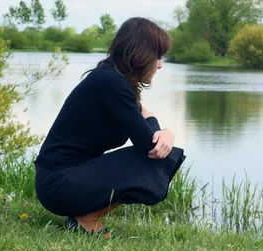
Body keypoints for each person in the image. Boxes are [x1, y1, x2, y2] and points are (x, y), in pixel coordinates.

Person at [34, 17, 185, 238]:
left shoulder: (111, 79)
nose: (160, 64)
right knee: (161, 156)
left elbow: (142, 114)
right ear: (140, 55)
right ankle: (87, 218)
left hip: (63, 178)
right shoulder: (110, 83)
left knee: (163, 153)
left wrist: (164, 131)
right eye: (158, 56)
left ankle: (82, 214)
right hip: (58, 183)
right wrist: (165, 134)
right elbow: (148, 145)